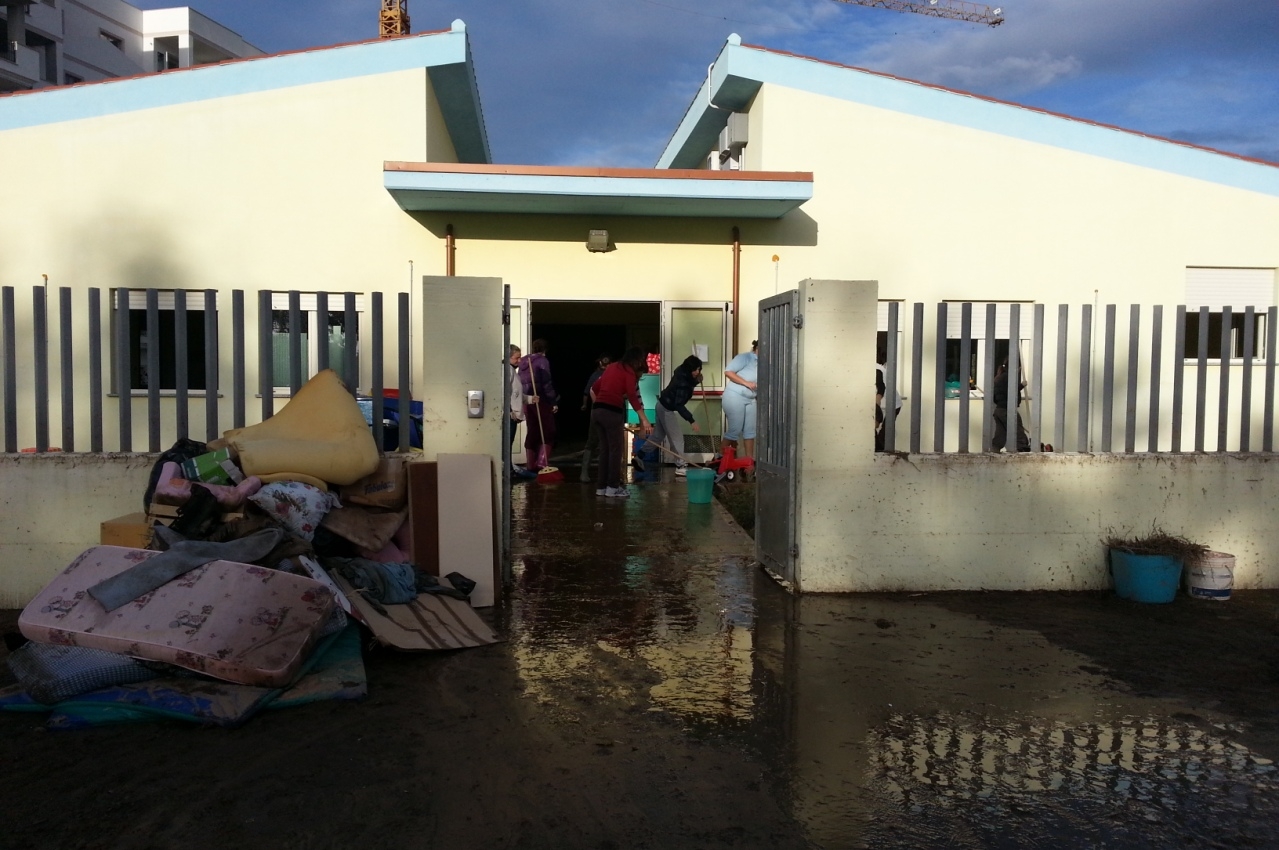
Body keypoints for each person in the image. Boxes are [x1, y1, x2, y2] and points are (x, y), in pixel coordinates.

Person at [590, 346, 652, 498]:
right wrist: (645, 420)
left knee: (605, 451)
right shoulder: (629, 372)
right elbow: (632, 396)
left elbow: (594, 388)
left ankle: (601, 487)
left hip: (597, 411)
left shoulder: (611, 367)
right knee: (616, 451)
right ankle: (613, 487)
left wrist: (599, 405)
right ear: (637, 360)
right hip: (612, 412)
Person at [650, 355, 702, 477]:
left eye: (699, 369)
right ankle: (681, 466)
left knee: (658, 436)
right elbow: (678, 404)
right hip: (667, 408)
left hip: (661, 404)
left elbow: (689, 383)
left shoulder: (682, 372)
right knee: (677, 438)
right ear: (690, 369)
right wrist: (691, 420)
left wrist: (696, 381)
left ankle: (640, 456)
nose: (698, 372)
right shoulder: (683, 382)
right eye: (696, 369)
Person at [518, 339, 559, 471]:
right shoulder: (543, 361)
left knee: (533, 431)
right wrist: (553, 401)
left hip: (528, 401)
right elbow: (546, 383)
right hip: (540, 400)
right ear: (545, 350)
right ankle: (542, 462)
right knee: (548, 430)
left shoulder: (524, 361)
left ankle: (530, 464)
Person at [723, 340, 759, 462]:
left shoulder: (765, 363)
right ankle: (720, 458)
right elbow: (728, 372)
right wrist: (746, 383)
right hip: (735, 396)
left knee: (750, 431)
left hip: (751, 398)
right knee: (735, 429)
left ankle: (749, 462)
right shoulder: (745, 357)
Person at [579, 353, 610, 482]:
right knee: (592, 441)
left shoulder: (611, 375)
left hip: (609, 410)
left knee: (608, 442)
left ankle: (607, 475)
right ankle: (584, 473)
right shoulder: (595, 376)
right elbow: (588, 391)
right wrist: (585, 404)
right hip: (597, 409)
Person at [991, 357, 1031, 453]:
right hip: (1007, 410)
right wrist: (1022, 385)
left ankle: (995, 449)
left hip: (999, 410)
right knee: (1018, 429)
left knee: (1001, 432)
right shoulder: (1007, 377)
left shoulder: (999, 377)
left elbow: (996, 396)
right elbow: (1010, 390)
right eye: (1018, 368)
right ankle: (1022, 448)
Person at [875, 338, 902, 453]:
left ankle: (882, 455)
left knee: (882, 435)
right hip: (885, 403)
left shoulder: (876, 369)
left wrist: (875, 409)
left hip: (892, 405)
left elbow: (880, 389)